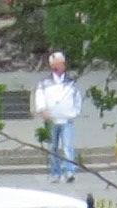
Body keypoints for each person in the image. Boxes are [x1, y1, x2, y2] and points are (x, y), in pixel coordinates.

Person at [31, 51, 85, 179]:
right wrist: (42, 109)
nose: (63, 65)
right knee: (53, 147)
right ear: (53, 65)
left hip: (67, 119)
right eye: (60, 63)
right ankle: (55, 172)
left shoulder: (71, 82)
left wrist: (75, 112)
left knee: (68, 147)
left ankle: (70, 171)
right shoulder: (44, 83)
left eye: (63, 63)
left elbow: (77, 98)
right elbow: (39, 97)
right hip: (52, 120)